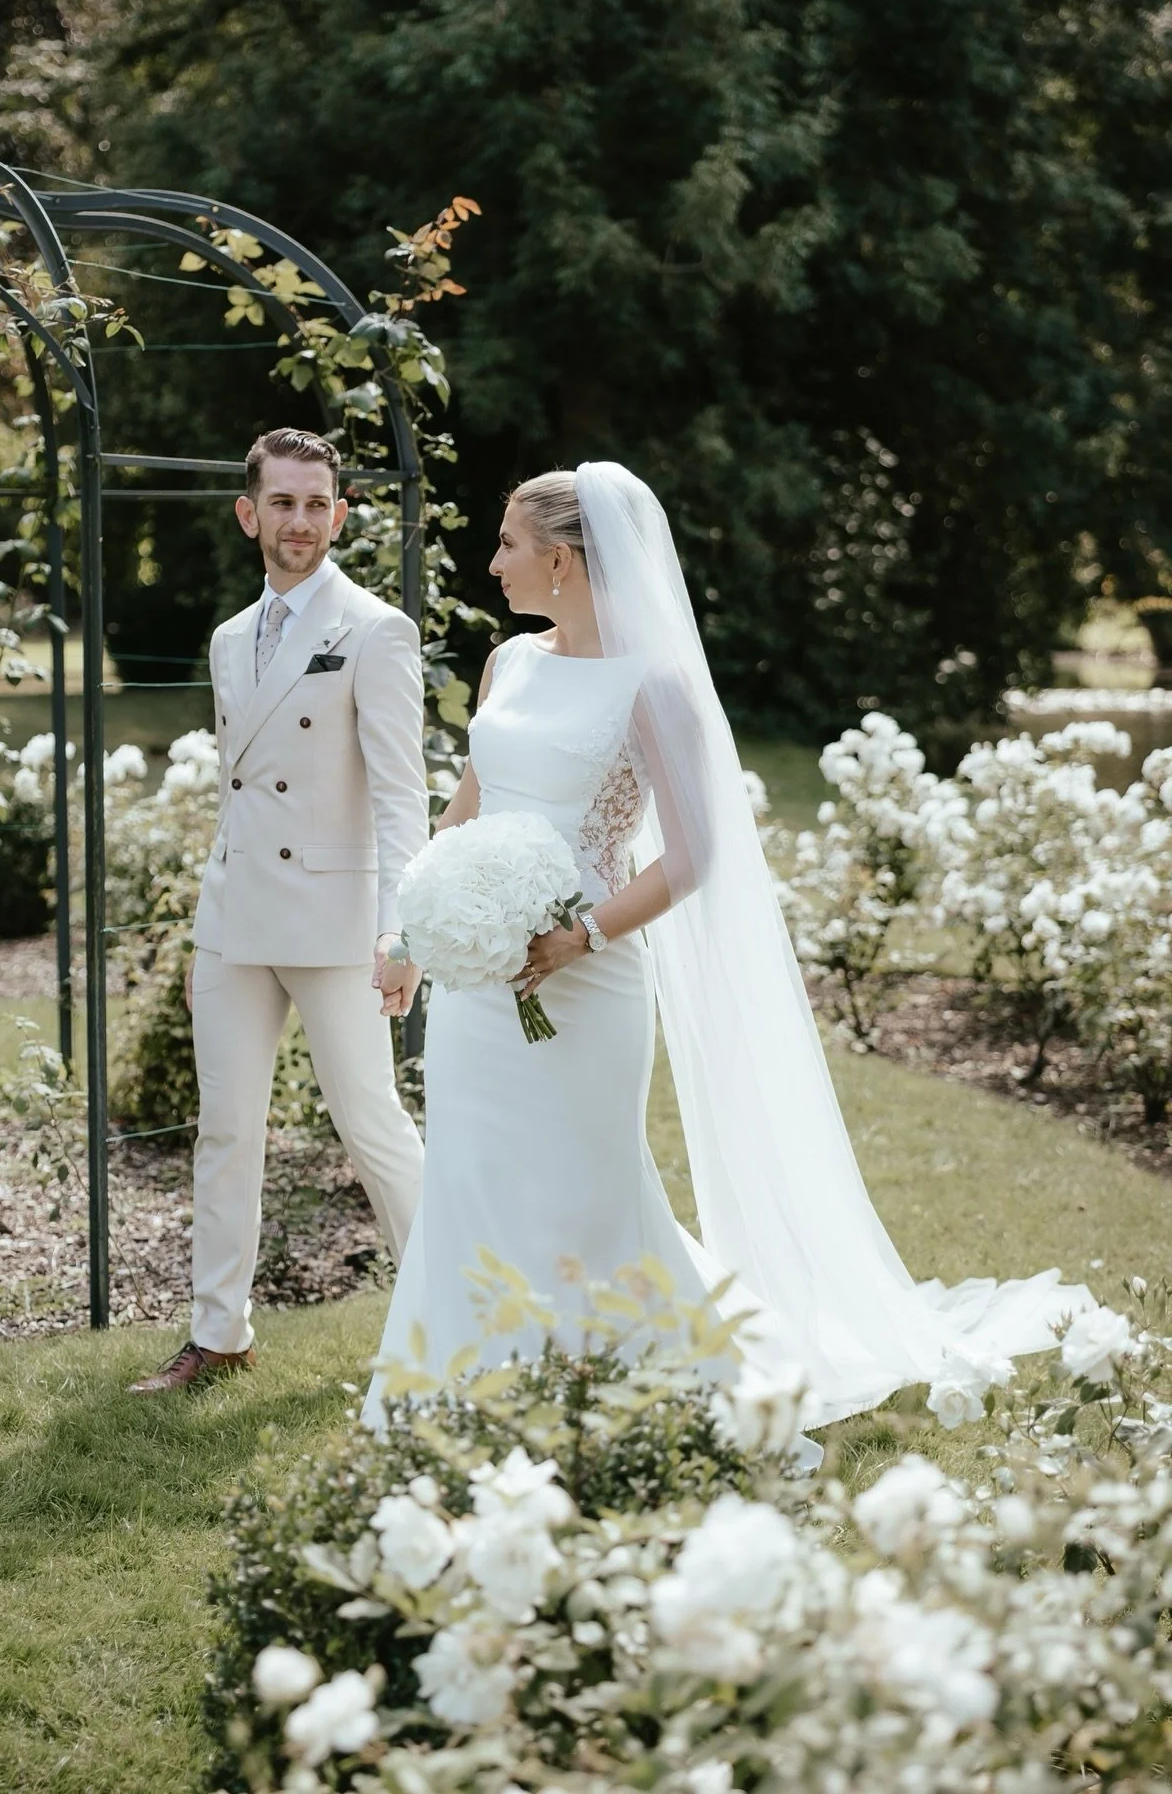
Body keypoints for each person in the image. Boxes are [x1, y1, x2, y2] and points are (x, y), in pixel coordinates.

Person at [365, 462, 1092, 1431]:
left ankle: (632, 1395)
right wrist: (413, 925)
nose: (493, 562)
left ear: (566, 563)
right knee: (466, 1175)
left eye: (509, 545)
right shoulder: (510, 664)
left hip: (585, 984)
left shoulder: (650, 686)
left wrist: (581, 935)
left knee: (589, 1191)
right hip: (475, 985)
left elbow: (697, 852)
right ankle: (449, 1395)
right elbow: (472, 796)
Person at [130, 428, 427, 1395]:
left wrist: (402, 930)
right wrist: (204, 926)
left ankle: (453, 1312)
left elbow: (400, 797)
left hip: (340, 925)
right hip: (237, 920)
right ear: (249, 513)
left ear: (340, 514)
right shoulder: (226, 639)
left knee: (371, 1124)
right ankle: (219, 1334)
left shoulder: (375, 630)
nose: (301, 522)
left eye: (318, 503)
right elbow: (237, 796)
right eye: (283, 503)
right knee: (226, 1130)